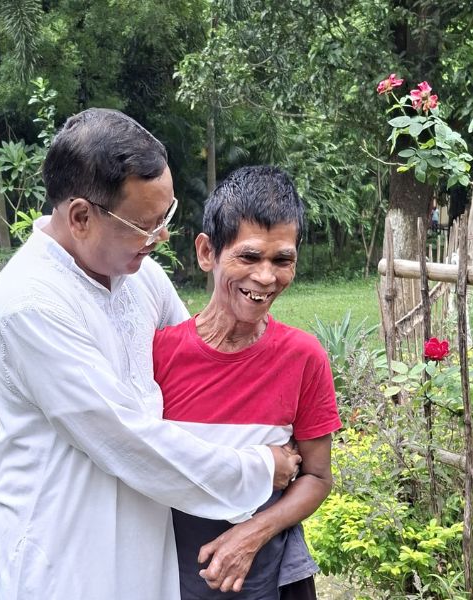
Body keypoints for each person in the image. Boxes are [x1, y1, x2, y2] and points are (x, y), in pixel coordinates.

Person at [0, 109, 301, 600]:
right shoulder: (31, 304)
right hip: (66, 547)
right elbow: (125, 437)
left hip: (147, 538)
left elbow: (196, 365)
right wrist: (257, 469)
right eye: (144, 224)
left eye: (165, 217)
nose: (161, 236)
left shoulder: (139, 275)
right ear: (81, 217)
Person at [154, 166, 342, 599]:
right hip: (169, 581)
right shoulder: (159, 356)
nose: (265, 277)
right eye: (249, 257)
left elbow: (317, 477)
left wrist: (252, 534)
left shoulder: (303, 357)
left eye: (282, 260)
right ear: (207, 252)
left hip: (266, 583)